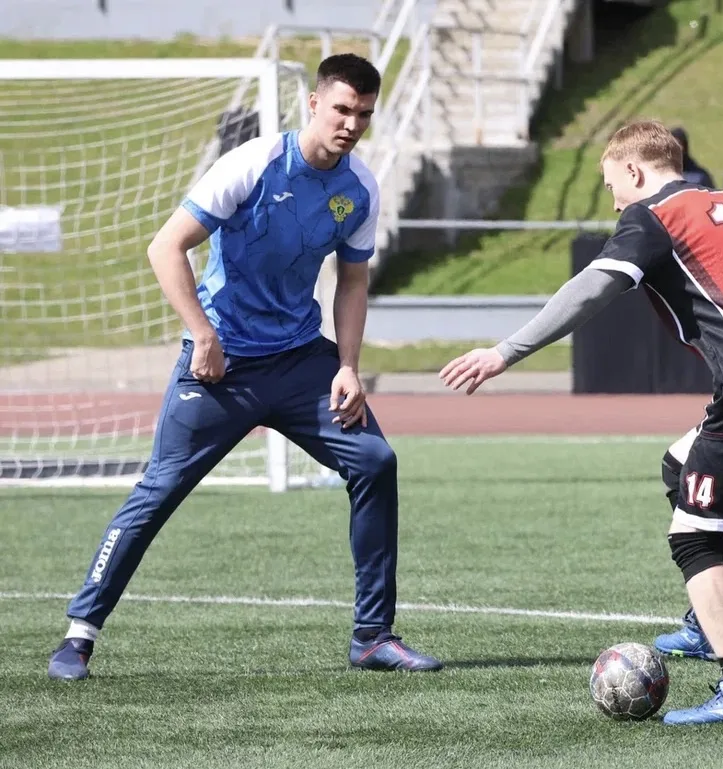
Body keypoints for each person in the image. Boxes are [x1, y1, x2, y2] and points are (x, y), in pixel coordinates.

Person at [439, 120, 723, 725]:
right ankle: (706, 624)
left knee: (693, 538)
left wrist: (504, 353)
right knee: (680, 466)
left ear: (633, 170)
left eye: (611, 186)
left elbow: (591, 289)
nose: (614, 203)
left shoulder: (654, 215)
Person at [47, 54, 443, 681]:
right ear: (314, 104)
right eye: (342, 109)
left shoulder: (360, 189)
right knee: (160, 489)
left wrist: (348, 366)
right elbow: (166, 246)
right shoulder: (252, 164)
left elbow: (352, 281)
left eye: (364, 114)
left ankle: (373, 637)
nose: (351, 124)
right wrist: (202, 335)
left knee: (375, 461)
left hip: (301, 363)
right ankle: (79, 635)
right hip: (221, 365)